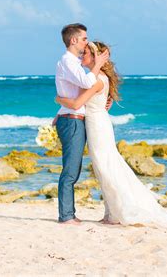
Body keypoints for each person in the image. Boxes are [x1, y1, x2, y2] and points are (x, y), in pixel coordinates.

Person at [56, 41, 167, 229]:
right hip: (99, 123)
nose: (81, 56)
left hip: (97, 127)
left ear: (95, 57)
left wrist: (57, 98)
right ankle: (110, 213)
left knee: (106, 168)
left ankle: (116, 213)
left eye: (85, 53)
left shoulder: (97, 78)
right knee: (104, 167)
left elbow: (76, 104)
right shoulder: (97, 78)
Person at [54, 23, 110, 225]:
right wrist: (97, 64)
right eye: (84, 38)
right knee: (70, 170)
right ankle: (66, 216)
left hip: (74, 118)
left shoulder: (74, 63)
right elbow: (86, 84)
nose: (87, 41)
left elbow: (78, 93)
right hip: (72, 121)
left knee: (73, 169)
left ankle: (69, 214)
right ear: (74, 40)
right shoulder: (68, 62)